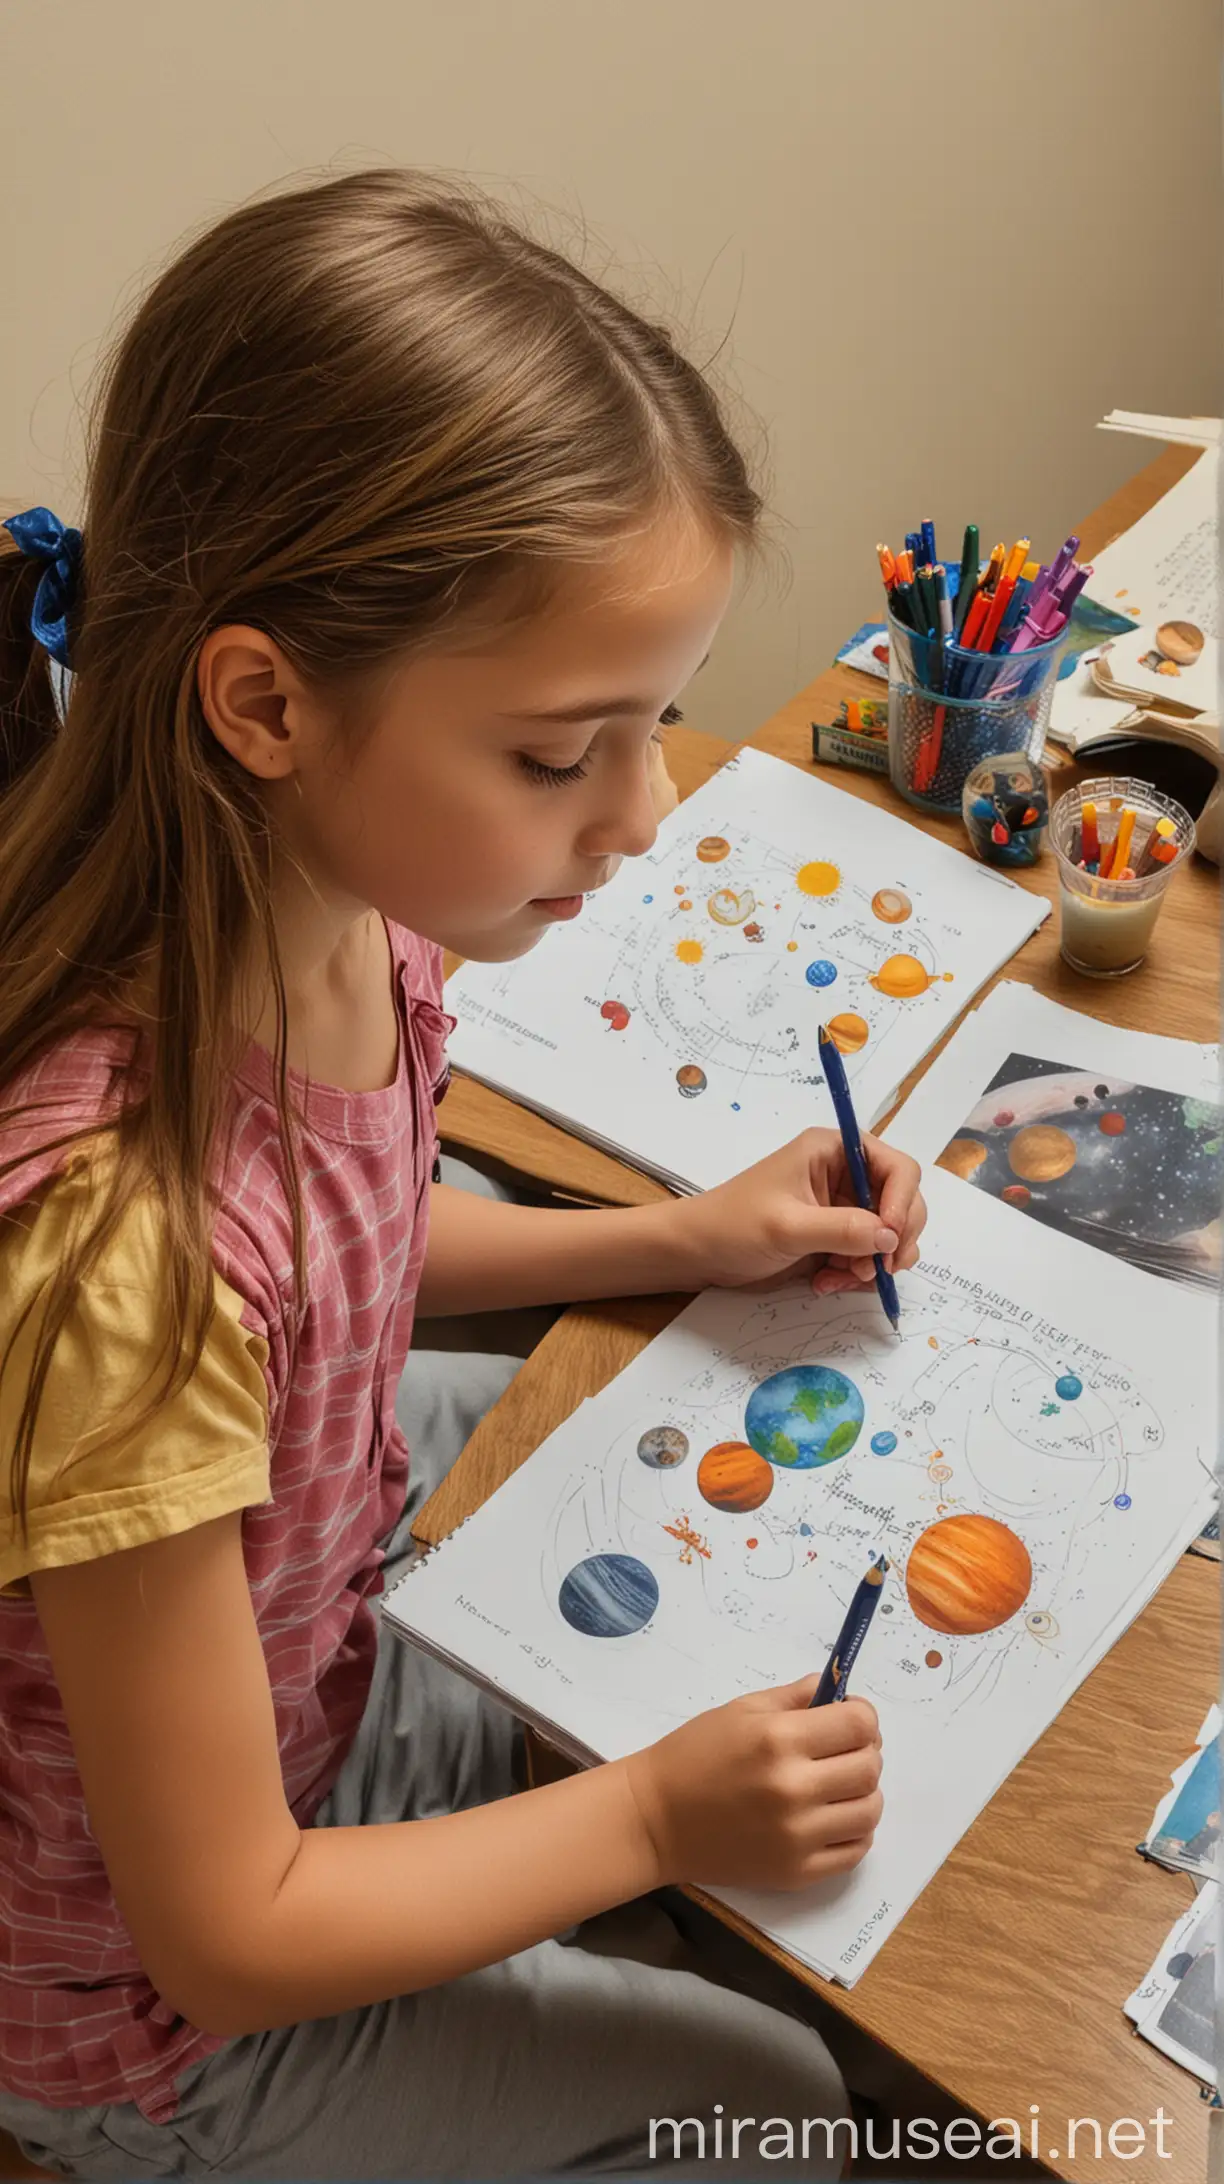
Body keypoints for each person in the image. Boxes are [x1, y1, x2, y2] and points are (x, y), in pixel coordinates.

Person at [0, 170, 925, 2180]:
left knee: (608, 1393)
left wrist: (680, 1233)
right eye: (561, 751)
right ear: (264, 705)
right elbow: (230, 1937)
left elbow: (349, 1254)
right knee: (785, 2109)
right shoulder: (115, 1255)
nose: (644, 813)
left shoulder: (359, 904)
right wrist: (653, 1823)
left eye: (654, 724)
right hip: (155, 2016)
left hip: (314, 1655)